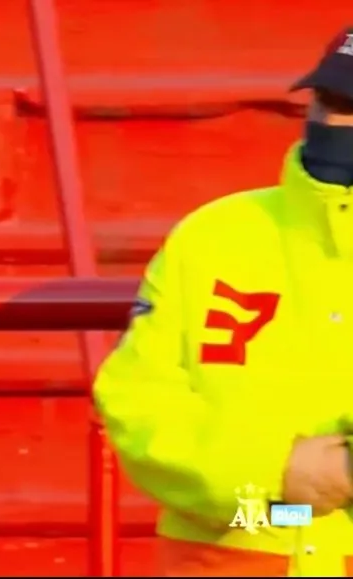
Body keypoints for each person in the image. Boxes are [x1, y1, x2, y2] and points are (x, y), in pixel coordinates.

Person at [94, 26, 353, 577]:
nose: (337, 122)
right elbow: (137, 401)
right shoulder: (213, 236)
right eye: (330, 100)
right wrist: (274, 472)